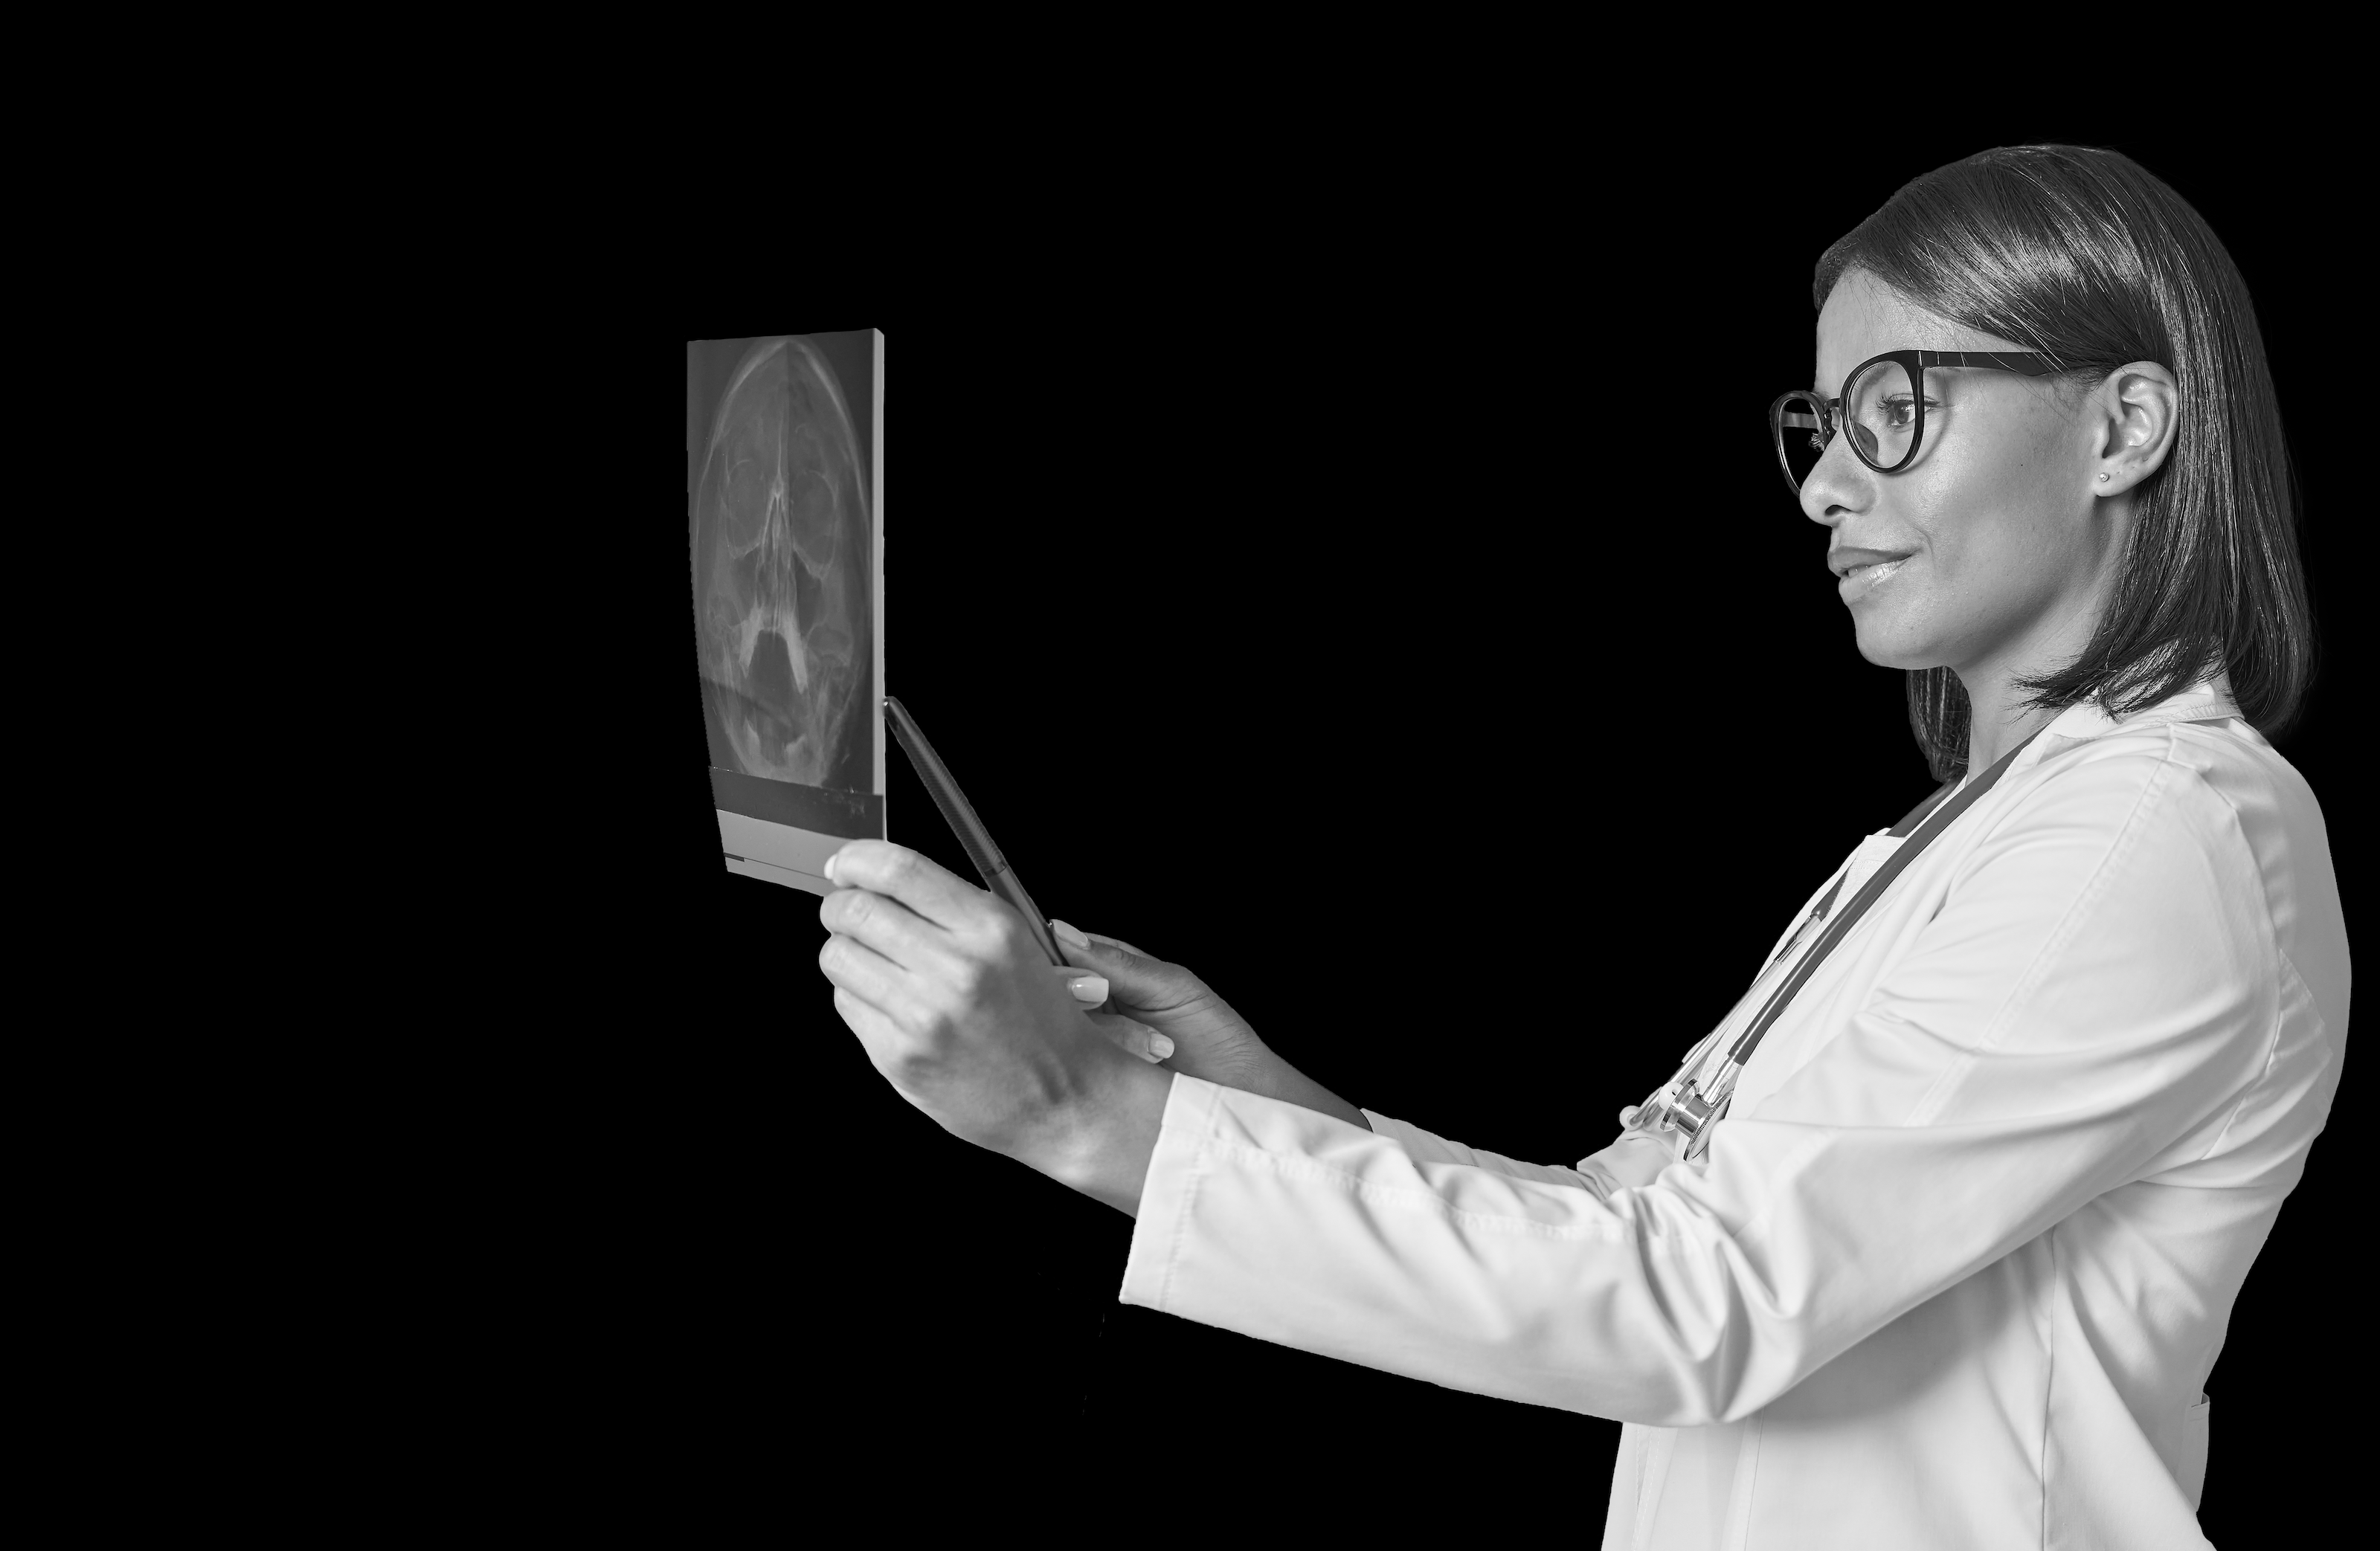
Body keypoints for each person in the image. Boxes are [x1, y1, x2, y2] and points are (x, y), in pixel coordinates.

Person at [812, 146, 2346, 1550]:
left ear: (2123, 428)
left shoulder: (2152, 829)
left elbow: (1699, 1296)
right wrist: (1240, 1102)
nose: (1824, 486)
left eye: (1895, 411)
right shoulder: (1980, 834)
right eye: (1821, 428)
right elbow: (1627, 1222)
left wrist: (1089, 1115)